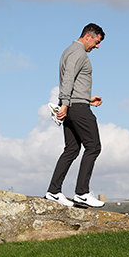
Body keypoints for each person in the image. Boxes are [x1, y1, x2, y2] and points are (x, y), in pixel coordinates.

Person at [45, 23, 106, 208]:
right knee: (93, 146)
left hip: (76, 104)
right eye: (96, 42)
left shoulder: (69, 51)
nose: (97, 46)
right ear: (88, 36)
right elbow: (69, 77)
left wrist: (87, 99)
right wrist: (64, 104)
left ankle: (54, 191)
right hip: (76, 107)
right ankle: (82, 193)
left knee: (71, 149)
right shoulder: (78, 52)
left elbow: (72, 81)